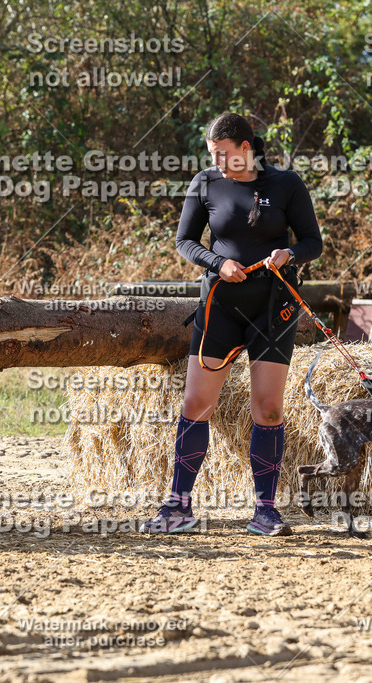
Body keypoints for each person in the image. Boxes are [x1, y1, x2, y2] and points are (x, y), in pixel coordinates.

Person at [141, 112, 323, 536]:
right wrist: (216, 262)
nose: (217, 162)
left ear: (246, 147)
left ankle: (265, 510)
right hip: (219, 305)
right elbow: (184, 240)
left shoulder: (286, 184)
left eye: (224, 154)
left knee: (269, 407)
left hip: (273, 307)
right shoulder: (205, 183)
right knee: (195, 405)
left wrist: (289, 255)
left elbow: (313, 241)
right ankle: (178, 505)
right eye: (212, 155)